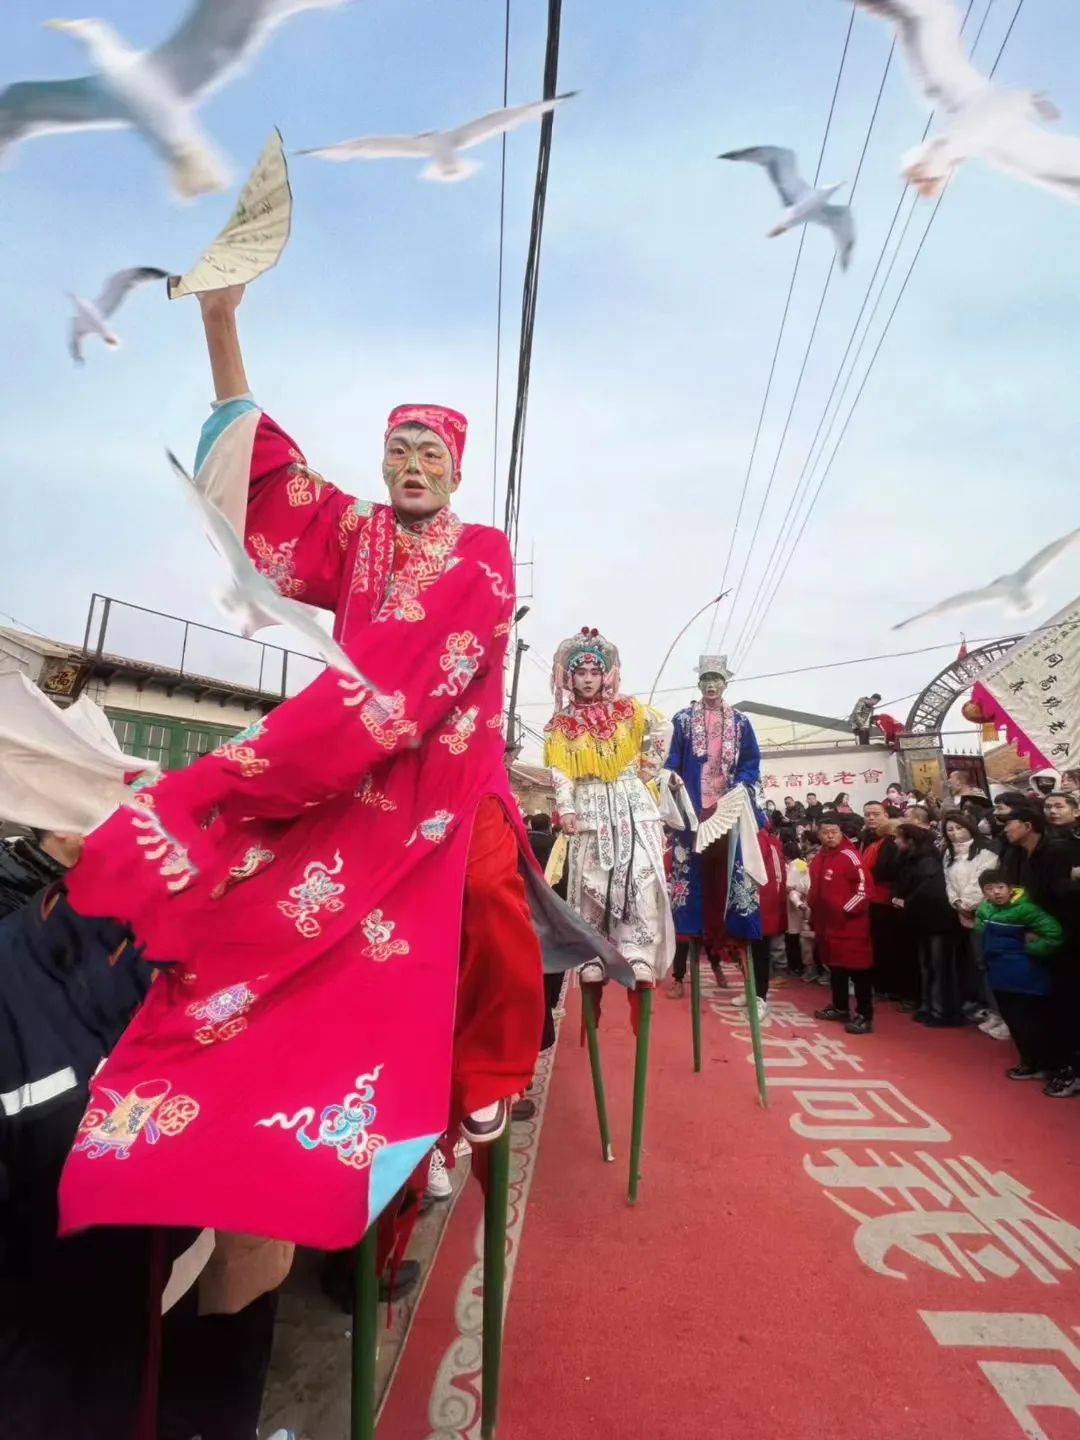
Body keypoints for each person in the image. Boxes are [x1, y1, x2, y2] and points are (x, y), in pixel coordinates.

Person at [58, 282, 631, 1263]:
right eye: (399, 454)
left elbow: (412, 679)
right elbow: (267, 477)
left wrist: (269, 757)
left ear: (457, 473)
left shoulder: (486, 555)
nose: (413, 469)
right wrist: (219, 322)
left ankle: (488, 1077)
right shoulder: (357, 536)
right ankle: (293, 1122)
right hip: (353, 774)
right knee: (281, 926)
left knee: (491, 905)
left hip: (443, 772)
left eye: (432, 457)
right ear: (382, 465)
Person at [543, 628, 674, 994]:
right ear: (569, 677)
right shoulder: (560, 725)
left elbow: (664, 726)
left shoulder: (628, 709)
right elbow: (560, 770)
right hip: (589, 802)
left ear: (607, 675)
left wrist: (650, 765)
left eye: (594, 672)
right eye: (580, 673)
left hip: (632, 801)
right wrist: (565, 807)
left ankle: (638, 949)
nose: (587, 679)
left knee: (640, 873)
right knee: (591, 877)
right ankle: (593, 953)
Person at [665, 654, 762, 995]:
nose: (710, 684)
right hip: (692, 814)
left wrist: (742, 786)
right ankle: (679, 975)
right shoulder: (681, 720)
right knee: (687, 889)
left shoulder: (741, 722)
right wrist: (672, 779)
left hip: (728, 813)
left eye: (716, 680)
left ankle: (731, 964)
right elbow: (671, 760)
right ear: (698, 683)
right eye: (705, 678)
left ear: (725, 684)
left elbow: (751, 762)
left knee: (731, 886)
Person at [1000, 805, 1080, 1098]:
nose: (1006, 829)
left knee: (1067, 1006)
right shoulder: (1020, 855)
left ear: (1028, 825)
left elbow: (1063, 895)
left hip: (1066, 940)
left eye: (1011, 823)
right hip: (1038, 940)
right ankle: (1050, 1062)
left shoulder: (1058, 851)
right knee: (1044, 1006)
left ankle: (1071, 1071)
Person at [976, 870, 1065, 1081]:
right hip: (999, 974)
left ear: (1010, 887)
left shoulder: (1026, 910)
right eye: (989, 889)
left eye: (1000, 887)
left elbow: (1055, 934)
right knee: (1012, 1020)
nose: (996, 892)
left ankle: (1041, 1063)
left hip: (1025, 976)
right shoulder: (986, 910)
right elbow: (980, 928)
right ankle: (1028, 1061)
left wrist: (1032, 949)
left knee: (1028, 1021)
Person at [892, 822, 963, 1026]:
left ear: (911, 840)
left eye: (899, 837)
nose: (895, 841)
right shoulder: (909, 860)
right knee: (926, 966)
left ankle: (942, 1011)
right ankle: (927, 1006)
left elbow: (928, 890)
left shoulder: (928, 861)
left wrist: (906, 901)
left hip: (937, 921)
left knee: (938, 966)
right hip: (920, 920)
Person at [941, 810, 1004, 1035]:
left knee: (991, 962)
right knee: (977, 964)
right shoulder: (948, 854)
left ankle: (1003, 1013)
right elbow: (948, 881)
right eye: (950, 829)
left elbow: (983, 880)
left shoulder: (986, 851)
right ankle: (990, 1008)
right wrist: (957, 902)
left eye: (959, 827)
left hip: (986, 911)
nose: (955, 833)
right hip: (962, 913)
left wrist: (967, 903)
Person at [809, 816, 873, 1033]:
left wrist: (845, 910)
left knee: (858, 970)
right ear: (819, 834)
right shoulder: (819, 857)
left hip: (850, 926)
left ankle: (864, 1014)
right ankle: (840, 1007)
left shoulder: (850, 856)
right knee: (836, 969)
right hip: (827, 926)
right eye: (825, 832)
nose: (829, 836)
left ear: (841, 832)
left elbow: (864, 890)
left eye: (833, 832)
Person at [735, 826, 785, 1021]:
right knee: (746, 953)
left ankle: (760, 997)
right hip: (747, 904)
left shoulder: (767, 842)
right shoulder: (746, 837)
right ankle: (750, 991)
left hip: (762, 907)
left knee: (760, 955)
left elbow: (775, 880)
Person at [859, 801, 907, 1003]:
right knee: (877, 945)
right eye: (867, 814)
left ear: (886, 815)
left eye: (876, 814)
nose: (871, 818)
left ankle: (892, 987)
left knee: (890, 946)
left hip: (886, 901)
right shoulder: (869, 840)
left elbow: (887, 871)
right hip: (872, 901)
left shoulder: (891, 840)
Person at [783, 839, 813, 977]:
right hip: (795, 904)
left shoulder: (799, 864)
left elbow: (801, 884)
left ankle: (799, 966)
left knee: (797, 937)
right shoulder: (798, 863)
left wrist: (794, 888)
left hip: (798, 905)